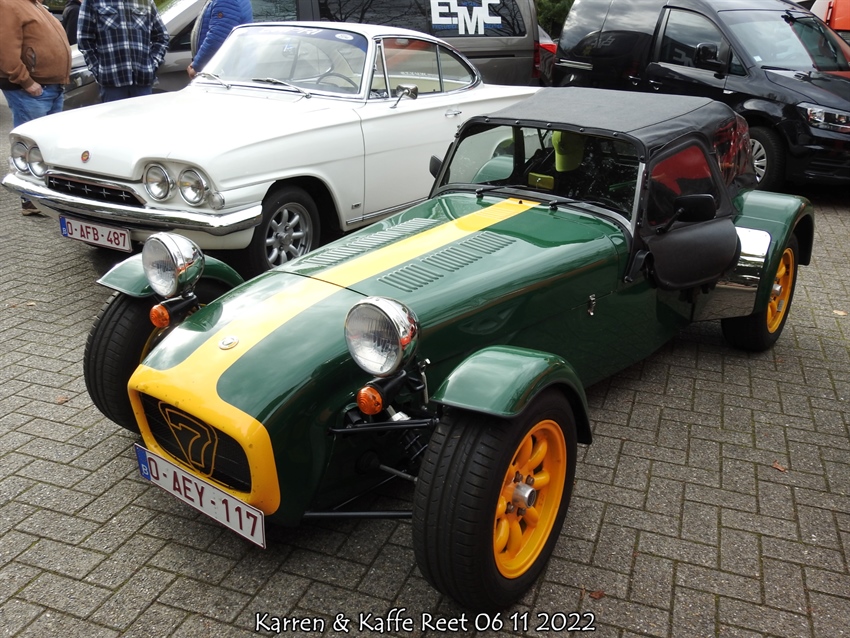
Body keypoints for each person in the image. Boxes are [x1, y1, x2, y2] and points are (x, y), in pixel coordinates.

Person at [0, 0, 72, 215]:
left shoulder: (36, 6)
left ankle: (47, 196)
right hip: (31, 90)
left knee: (48, 147)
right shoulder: (9, 4)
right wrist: (26, 81)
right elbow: (5, 50)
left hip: (51, 87)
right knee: (31, 146)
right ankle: (30, 199)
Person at [77, 0, 169, 102]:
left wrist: (152, 65)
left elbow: (162, 37)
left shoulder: (146, 2)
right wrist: (98, 70)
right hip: (112, 85)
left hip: (142, 82)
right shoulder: (92, 2)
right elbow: (84, 40)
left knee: (144, 113)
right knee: (115, 113)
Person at [187, 0, 252, 78]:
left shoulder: (226, 1)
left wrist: (198, 67)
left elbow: (217, 39)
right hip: (228, 68)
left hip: (220, 71)